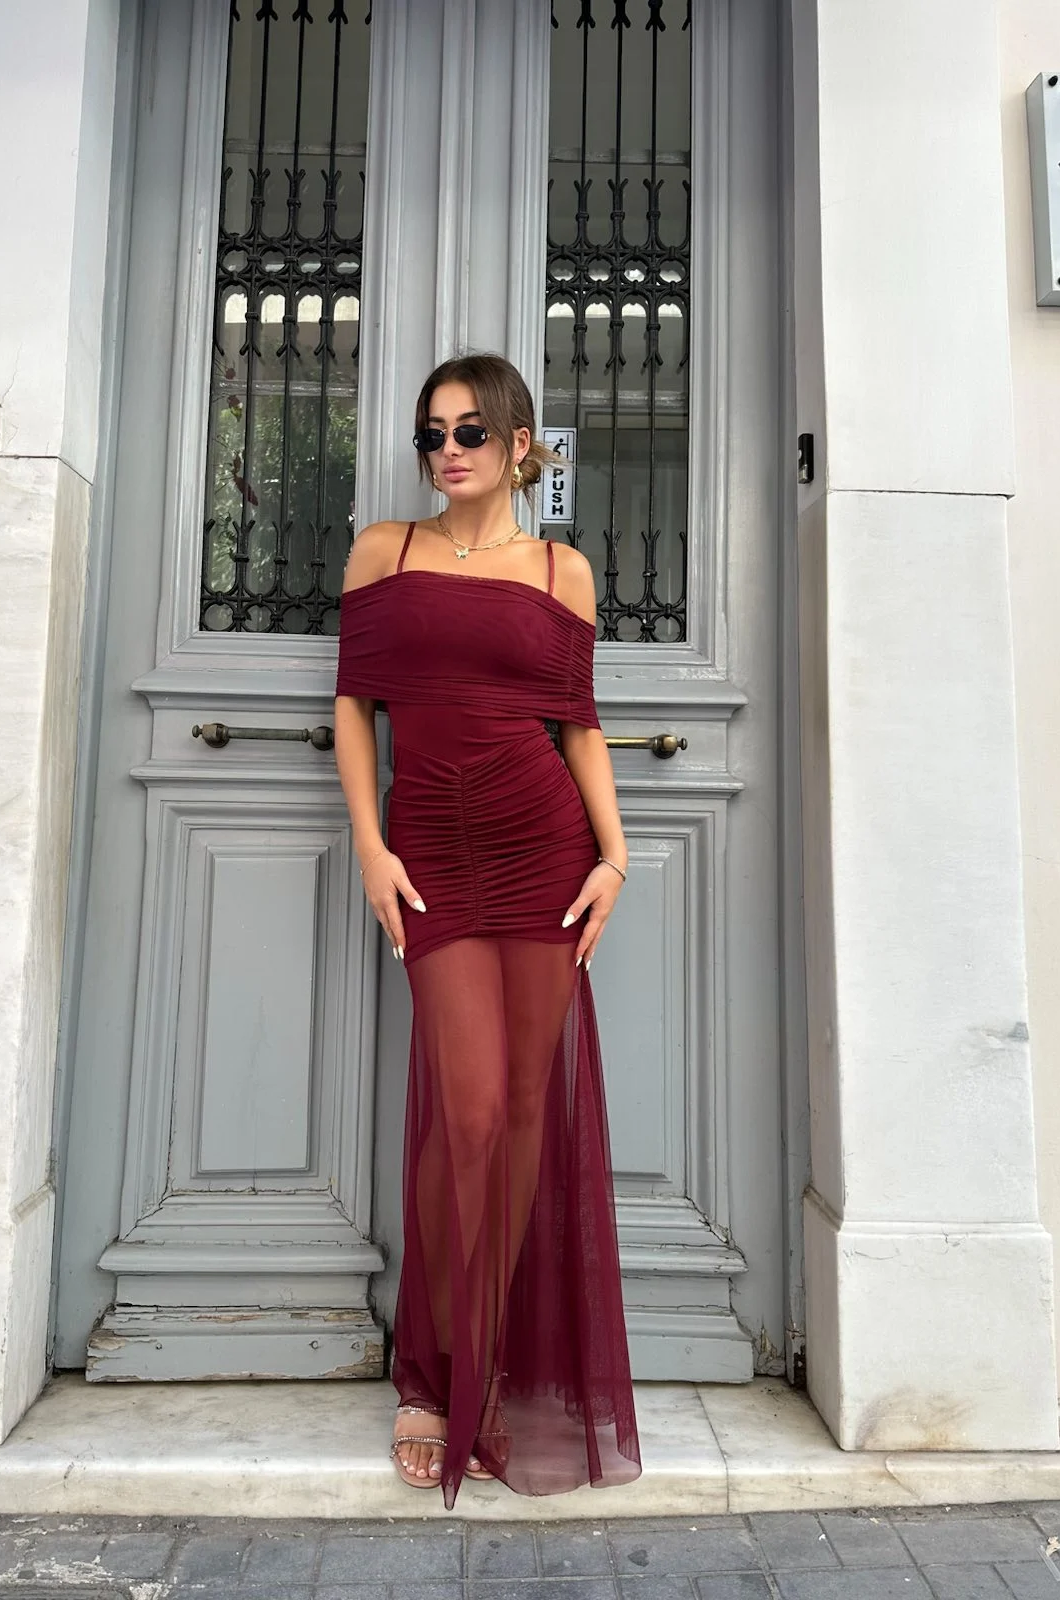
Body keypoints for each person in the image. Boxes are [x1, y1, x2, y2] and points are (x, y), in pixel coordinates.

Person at [333, 352, 641, 1507]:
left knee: (519, 1113)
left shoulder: (564, 571)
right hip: (432, 860)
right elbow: (353, 707)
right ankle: (430, 1368)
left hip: (543, 854)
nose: (447, 449)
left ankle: (483, 1355)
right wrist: (372, 844)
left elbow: (580, 726)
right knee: (465, 1112)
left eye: (470, 431)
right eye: (432, 432)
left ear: (517, 445)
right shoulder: (385, 550)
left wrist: (613, 856)